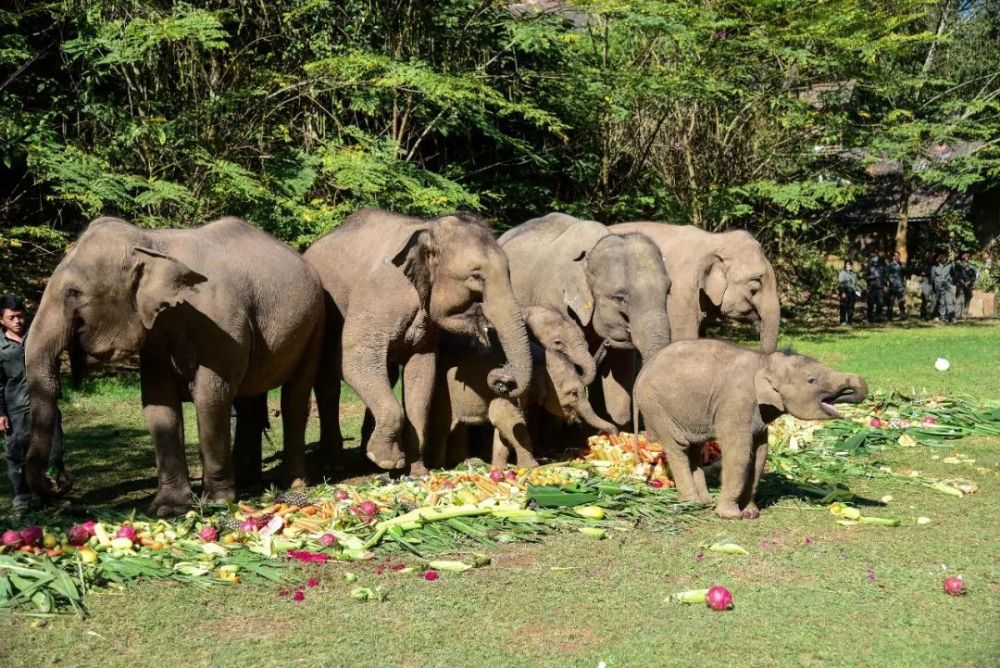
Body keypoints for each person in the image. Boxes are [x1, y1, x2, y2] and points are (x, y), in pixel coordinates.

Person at [1, 295, 67, 514]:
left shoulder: (37, 334)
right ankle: (22, 497)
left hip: (45, 403)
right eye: (12, 317)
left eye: (20, 316)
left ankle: (49, 491)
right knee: (17, 454)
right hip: (16, 408)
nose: (18, 321)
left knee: (54, 451)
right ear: (1, 320)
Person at [930, 252, 956, 323]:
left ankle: (951, 317)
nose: (944, 258)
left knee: (949, 301)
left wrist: (951, 282)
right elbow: (932, 278)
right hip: (938, 287)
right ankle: (942, 317)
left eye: (945, 257)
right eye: (942, 256)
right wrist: (934, 286)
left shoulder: (950, 266)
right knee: (941, 302)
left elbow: (954, 275)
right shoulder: (934, 267)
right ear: (939, 257)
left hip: (948, 287)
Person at [953, 252, 978, 319]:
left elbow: (974, 276)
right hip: (960, 285)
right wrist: (963, 282)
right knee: (959, 300)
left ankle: (965, 314)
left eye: (968, 256)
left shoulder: (971, 267)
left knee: (967, 299)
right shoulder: (957, 266)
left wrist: (969, 282)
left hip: (968, 285)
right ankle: (957, 315)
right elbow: (956, 275)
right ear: (962, 256)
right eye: (966, 255)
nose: (967, 257)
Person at [884, 251, 907, 320]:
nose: (898, 257)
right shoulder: (890, 266)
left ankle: (902, 316)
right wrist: (886, 285)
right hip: (892, 286)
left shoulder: (902, 265)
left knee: (902, 302)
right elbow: (886, 276)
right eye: (896, 256)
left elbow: (904, 274)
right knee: (891, 302)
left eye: (899, 256)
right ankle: (889, 316)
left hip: (900, 286)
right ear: (893, 257)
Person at [863, 252, 884, 323]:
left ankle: (879, 318)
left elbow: (884, 278)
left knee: (880, 303)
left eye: (876, 257)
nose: (875, 259)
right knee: (870, 304)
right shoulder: (868, 268)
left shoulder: (881, 268)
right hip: (871, 288)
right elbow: (864, 277)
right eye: (873, 257)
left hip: (880, 288)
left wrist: (885, 285)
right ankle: (870, 319)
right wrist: (872, 277)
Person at [837, 260, 860, 325]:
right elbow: (841, 283)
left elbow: (856, 284)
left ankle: (850, 320)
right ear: (845, 265)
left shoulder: (854, 274)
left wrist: (858, 291)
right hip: (845, 292)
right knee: (843, 307)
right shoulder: (842, 273)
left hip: (852, 292)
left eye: (850, 264)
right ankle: (843, 321)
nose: (849, 266)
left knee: (851, 307)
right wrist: (843, 292)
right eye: (847, 264)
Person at [919, 252, 937, 321]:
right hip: (926, 283)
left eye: (931, 254)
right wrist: (928, 272)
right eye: (929, 254)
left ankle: (931, 314)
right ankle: (922, 315)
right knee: (924, 300)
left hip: (934, 283)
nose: (930, 255)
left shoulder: (935, 263)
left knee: (934, 300)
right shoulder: (923, 263)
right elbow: (921, 272)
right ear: (926, 255)